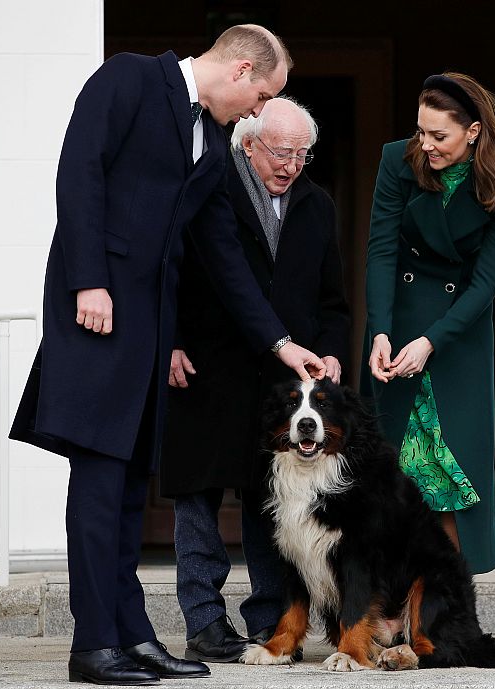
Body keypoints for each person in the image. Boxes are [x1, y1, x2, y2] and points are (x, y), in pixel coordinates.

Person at [9, 25, 327, 685]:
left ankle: (131, 634)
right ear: (241, 70)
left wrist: (281, 340)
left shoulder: (211, 141)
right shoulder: (127, 78)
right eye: (262, 95)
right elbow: (80, 171)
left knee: (129, 487)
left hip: (148, 328)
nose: (258, 111)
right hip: (94, 313)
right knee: (99, 481)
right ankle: (93, 643)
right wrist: (88, 279)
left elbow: (222, 254)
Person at [160, 97, 350, 663]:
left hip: (282, 386)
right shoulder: (211, 183)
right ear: (249, 144)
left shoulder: (317, 205)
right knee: (196, 496)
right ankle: (204, 622)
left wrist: (334, 355)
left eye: (301, 154)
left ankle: (272, 624)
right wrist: (167, 340)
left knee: (272, 501)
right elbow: (170, 265)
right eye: (280, 152)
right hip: (205, 365)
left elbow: (333, 302)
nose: (291, 165)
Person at [364, 73, 495, 575]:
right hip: (399, 326)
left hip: (459, 337)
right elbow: (382, 249)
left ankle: (447, 610)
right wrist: (381, 331)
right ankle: (389, 612)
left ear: (474, 131)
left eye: (439, 136)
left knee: (455, 471)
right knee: (397, 473)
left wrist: (432, 341)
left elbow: (485, 283)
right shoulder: (399, 161)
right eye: (421, 132)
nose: (426, 145)